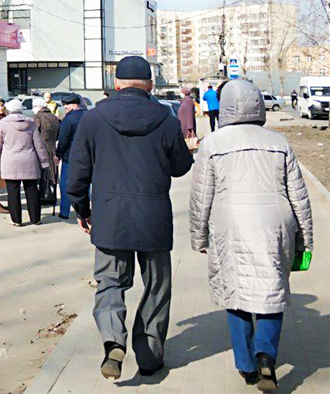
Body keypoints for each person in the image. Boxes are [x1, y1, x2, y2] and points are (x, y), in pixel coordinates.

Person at [66, 56, 194, 380]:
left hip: (109, 216)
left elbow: (77, 175)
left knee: (110, 283)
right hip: (153, 217)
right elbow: (180, 167)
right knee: (157, 287)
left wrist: (83, 211)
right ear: (150, 85)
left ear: (117, 83)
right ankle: (149, 358)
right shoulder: (165, 120)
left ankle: (113, 342)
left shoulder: (93, 119)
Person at [189, 80, 313, 391]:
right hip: (275, 222)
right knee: (272, 291)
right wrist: (305, 239)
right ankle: (266, 357)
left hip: (230, 224)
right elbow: (299, 196)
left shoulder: (213, 143)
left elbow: (201, 196)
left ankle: (246, 366)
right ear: (258, 104)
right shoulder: (279, 142)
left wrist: (199, 237)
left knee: (236, 292)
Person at [0, 98, 50, 226]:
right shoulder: (30, 123)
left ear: (9, 109)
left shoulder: (3, 123)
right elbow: (38, 144)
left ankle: (16, 220)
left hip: (10, 161)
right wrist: (44, 161)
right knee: (32, 190)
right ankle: (36, 218)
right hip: (29, 160)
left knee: (12, 191)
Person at [55, 94, 85, 220]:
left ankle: (64, 212)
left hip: (70, 156)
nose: (65, 107)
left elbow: (63, 140)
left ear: (74, 105)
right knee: (84, 185)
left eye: (67, 104)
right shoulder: (89, 116)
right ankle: (82, 211)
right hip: (86, 157)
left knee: (65, 185)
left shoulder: (69, 119)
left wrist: (58, 154)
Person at [33, 98, 61, 191]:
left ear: (37, 106)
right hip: (52, 146)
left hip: (42, 147)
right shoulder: (53, 116)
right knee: (52, 172)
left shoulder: (39, 117)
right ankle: (51, 195)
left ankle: (44, 195)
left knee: (43, 172)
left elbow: (35, 133)